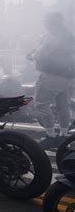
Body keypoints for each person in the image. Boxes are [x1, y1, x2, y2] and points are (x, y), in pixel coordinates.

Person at [29, 12, 75, 149]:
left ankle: (51, 136)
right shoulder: (68, 35)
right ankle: (63, 134)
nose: (45, 24)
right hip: (68, 77)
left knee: (41, 104)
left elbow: (41, 54)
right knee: (63, 105)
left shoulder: (53, 36)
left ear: (51, 22)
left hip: (51, 76)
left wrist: (31, 55)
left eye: (46, 21)